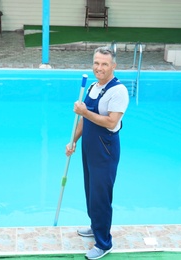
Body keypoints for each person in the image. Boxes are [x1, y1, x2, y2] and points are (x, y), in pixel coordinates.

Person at [65, 46, 129, 260]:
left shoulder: (118, 91)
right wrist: (73, 141)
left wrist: (84, 111)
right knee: (91, 190)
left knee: (101, 196)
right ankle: (95, 225)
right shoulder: (93, 86)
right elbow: (84, 120)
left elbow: (111, 121)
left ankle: (104, 243)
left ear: (113, 66)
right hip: (89, 147)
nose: (99, 67)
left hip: (105, 149)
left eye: (104, 64)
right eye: (96, 63)